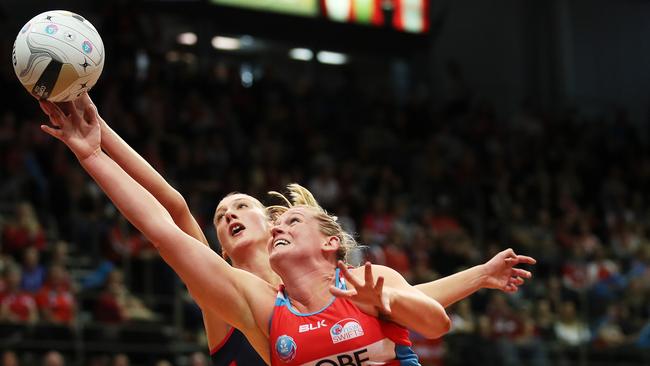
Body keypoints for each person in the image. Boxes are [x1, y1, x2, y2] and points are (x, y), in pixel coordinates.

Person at [39, 97, 534, 364]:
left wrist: (478, 275)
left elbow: (420, 308)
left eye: (244, 207)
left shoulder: (359, 285)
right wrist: (94, 147)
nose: (229, 216)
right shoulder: (247, 301)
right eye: (220, 216)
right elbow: (168, 219)